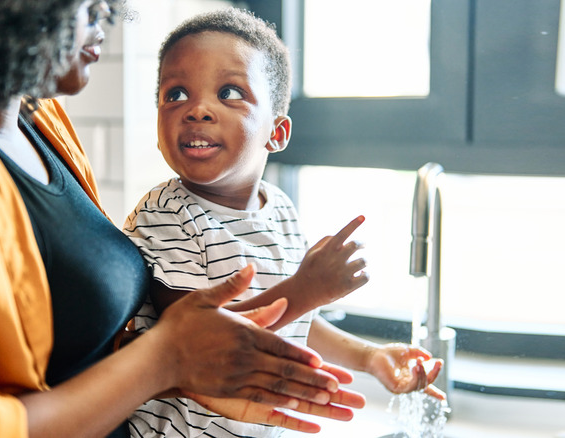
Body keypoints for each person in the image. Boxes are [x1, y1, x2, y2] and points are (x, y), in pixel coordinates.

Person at [0, 1, 365, 437]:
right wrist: (165, 360)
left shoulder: (33, 114)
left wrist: (191, 376)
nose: (107, 13)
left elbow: (75, 350)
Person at [123, 8, 445, 438]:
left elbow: (297, 320)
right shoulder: (166, 214)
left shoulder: (278, 208)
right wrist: (305, 289)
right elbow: (197, 341)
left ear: (276, 132)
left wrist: (369, 358)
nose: (197, 109)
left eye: (229, 92)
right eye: (176, 94)